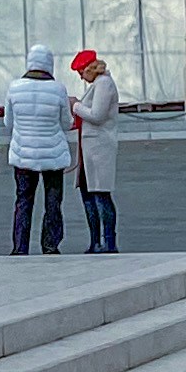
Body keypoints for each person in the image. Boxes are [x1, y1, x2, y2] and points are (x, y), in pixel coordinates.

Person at [2, 45, 71, 256]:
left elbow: (8, 122)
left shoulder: (14, 87)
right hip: (53, 153)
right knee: (53, 201)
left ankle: (20, 246)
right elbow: (66, 123)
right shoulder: (58, 89)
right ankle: (50, 245)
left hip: (23, 153)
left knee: (23, 200)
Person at [70, 45, 123, 252]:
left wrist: (75, 106)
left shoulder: (104, 84)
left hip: (100, 147)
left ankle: (109, 242)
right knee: (88, 195)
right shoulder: (98, 84)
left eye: (81, 73)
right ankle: (95, 241)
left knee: (101, 194)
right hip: (89, 149)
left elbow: (98, 115)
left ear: (90, 69)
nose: (82, 78)